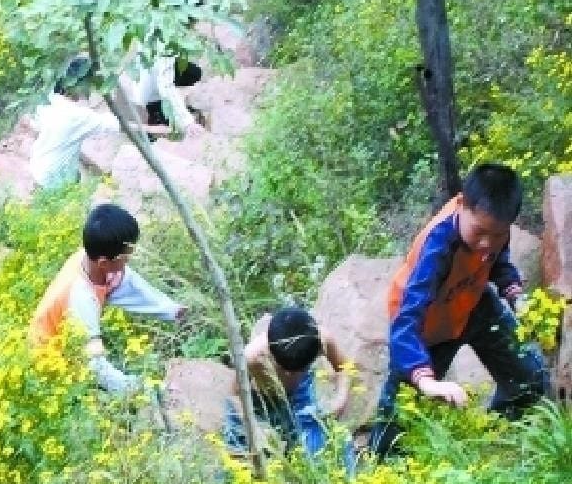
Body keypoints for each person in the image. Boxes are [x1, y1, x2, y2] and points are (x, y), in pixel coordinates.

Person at [370, 164, 548, 456]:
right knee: (396, 433)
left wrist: (517, 296)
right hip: (426, 330)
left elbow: (498, 260)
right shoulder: (437, 247)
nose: (486, 244)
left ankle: (494, 436)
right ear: (462, 204)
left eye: (498, 234)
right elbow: (405, 321)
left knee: (529, 378)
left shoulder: (493, 230)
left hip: (473, 305)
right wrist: (426, 381)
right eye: (480, 233)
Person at [29, 203, 187, 393]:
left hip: (68, 342)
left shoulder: (93, 260)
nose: (129, 260)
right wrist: (150, 390)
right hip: (48, 363)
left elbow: (132, 287)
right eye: (126, 258)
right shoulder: (81, 298)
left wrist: (175, 311)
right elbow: (96, 368)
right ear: (104, 262)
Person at [222, 307, 352, 465]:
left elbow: (345, 368)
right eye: (286, 370)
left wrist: (340, 400)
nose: (292, 376)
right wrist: (254, 427)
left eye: (299, 370)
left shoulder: (321, 340)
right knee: (242, 458)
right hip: (259, 400)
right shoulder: (252, 357)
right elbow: (234, 396)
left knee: (316, 453)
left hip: (300, 397)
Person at [26, 56, 170, 189]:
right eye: (89, 85)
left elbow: (32, 123)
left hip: (38, 166)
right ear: (79, 84)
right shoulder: (78, 116)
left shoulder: (49, 99)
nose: (89, 91)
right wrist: (157, 130)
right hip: (54, 181)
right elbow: (121, 126)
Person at [117, 55, 204, 134]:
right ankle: (158, 114)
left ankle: (164, 113)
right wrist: (188, 122)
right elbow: (166, 87)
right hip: (146, 94)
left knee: (194, 73)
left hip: (145, 77)